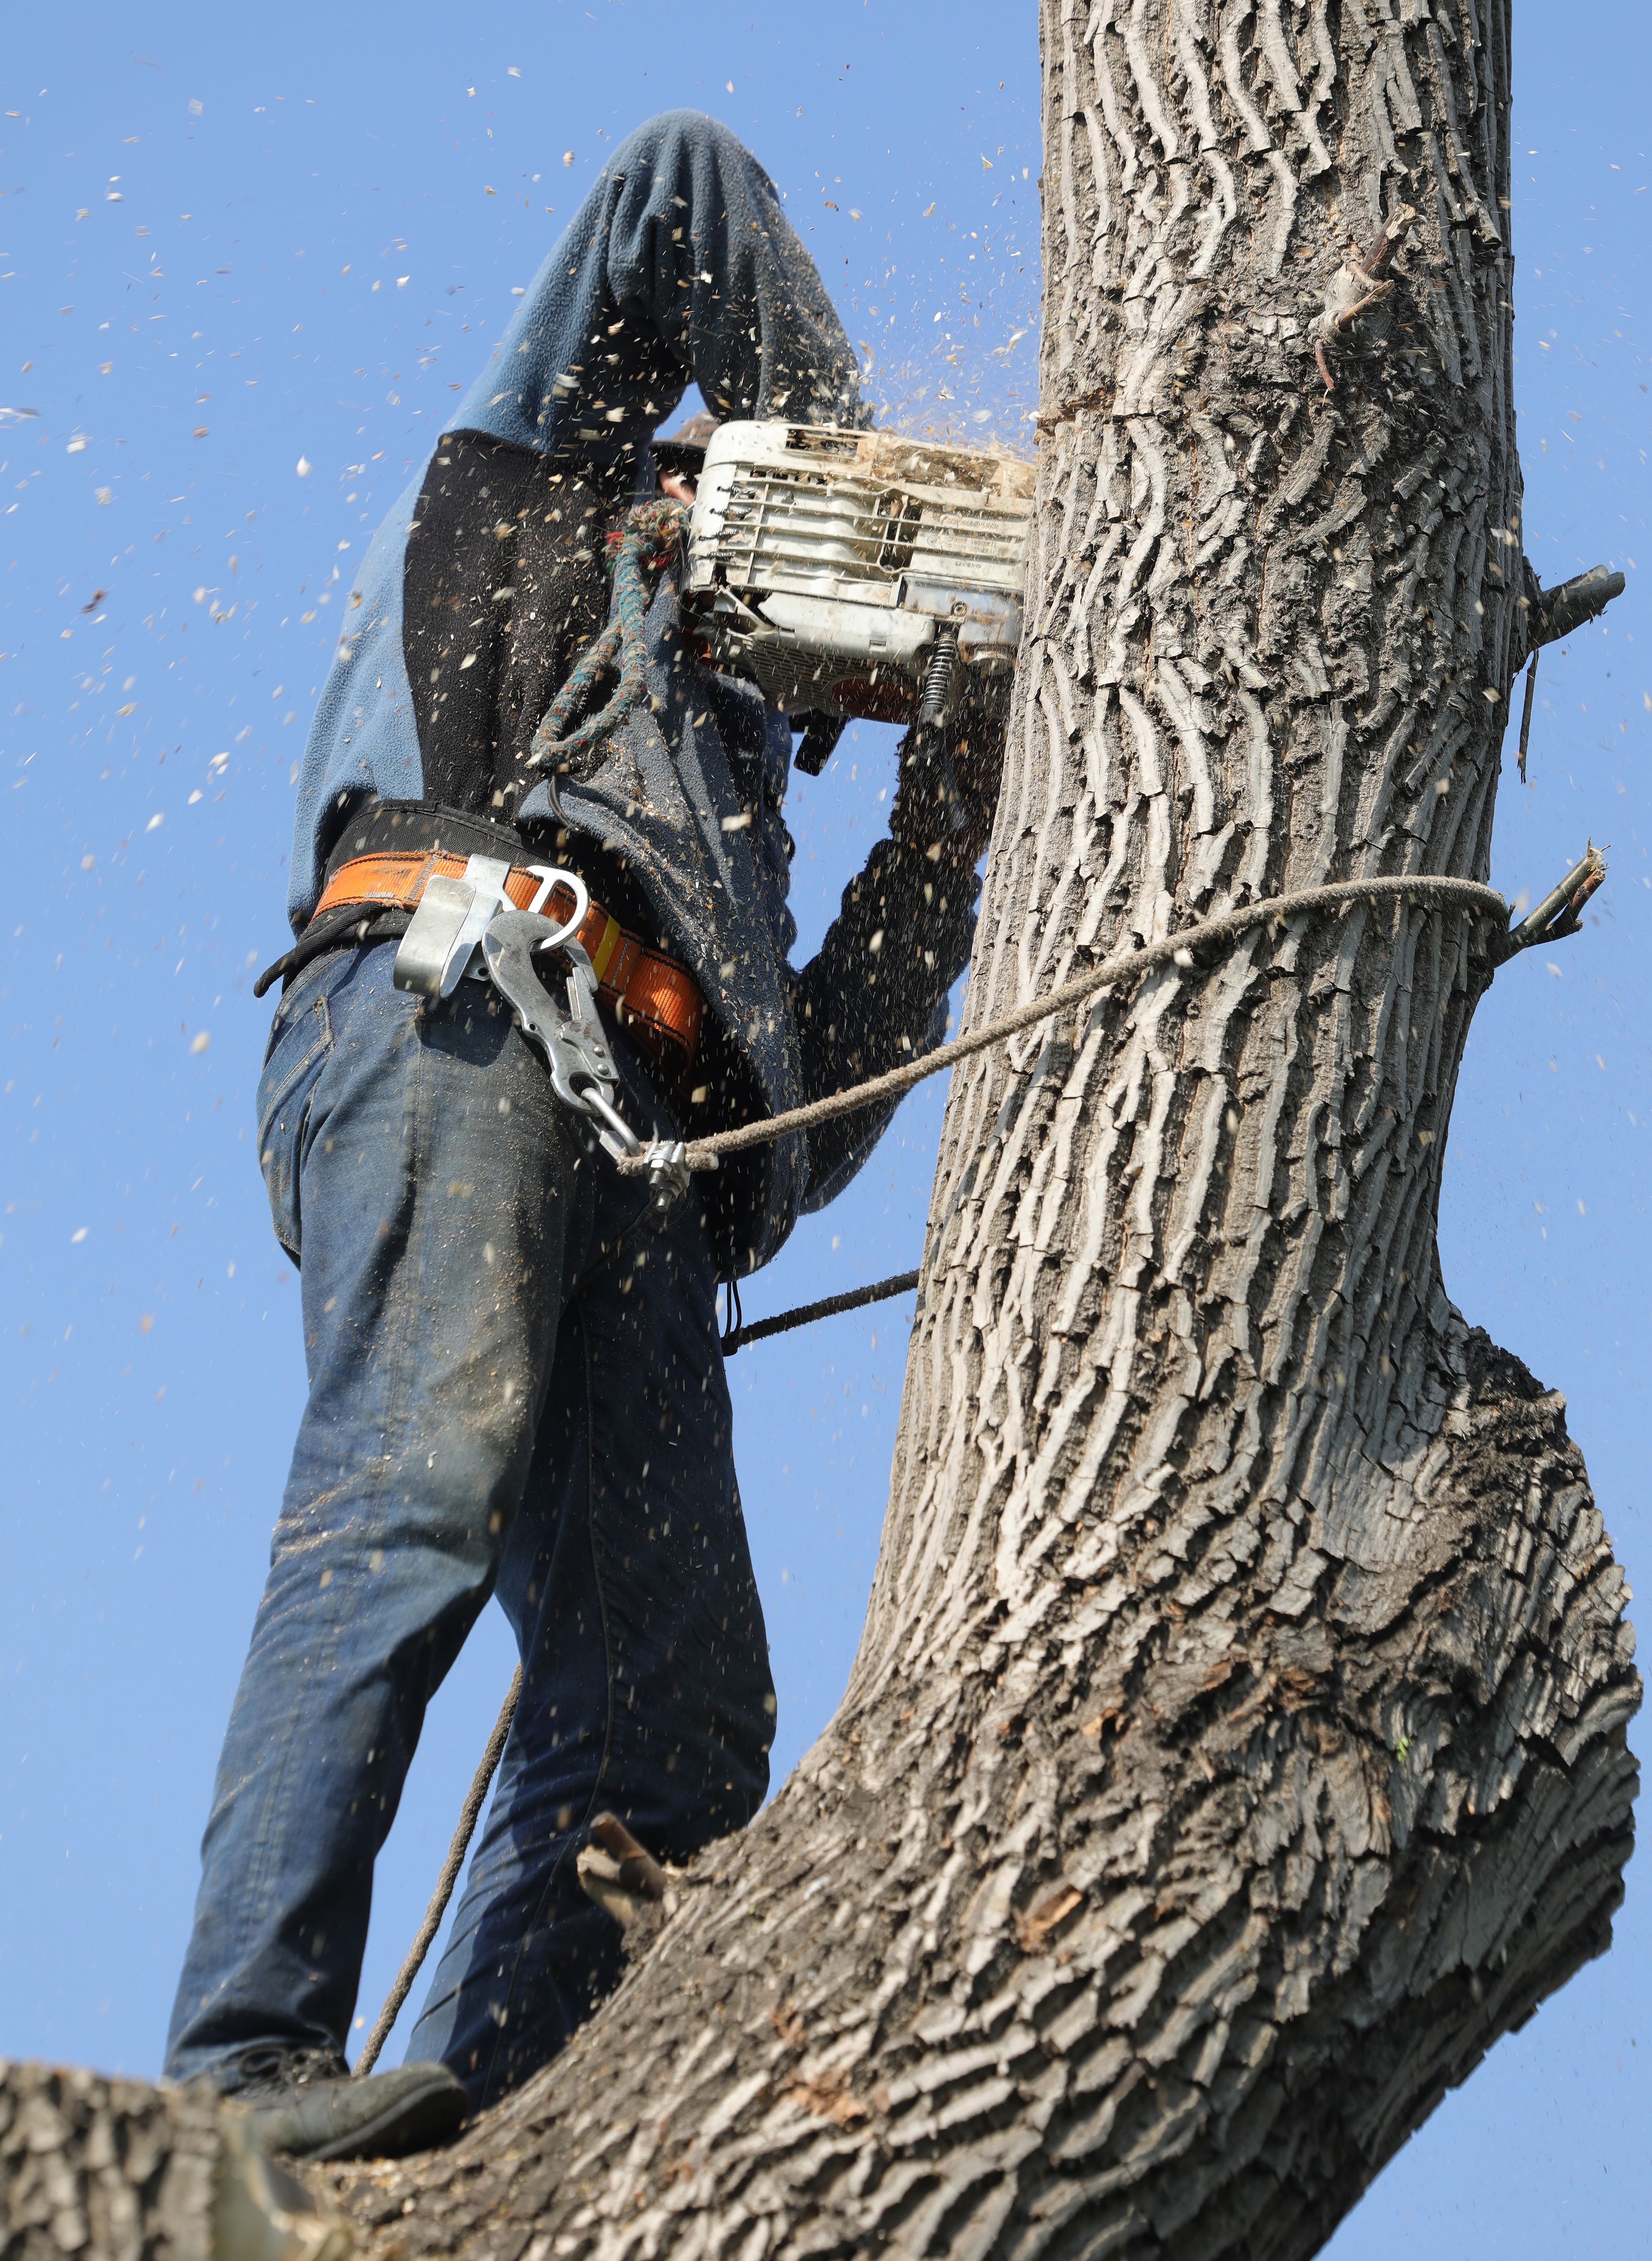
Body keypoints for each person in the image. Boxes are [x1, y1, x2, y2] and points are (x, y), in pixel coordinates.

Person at [162, 110, 1002, 2163]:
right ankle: (240, 2065)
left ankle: (482, 2158)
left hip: (639, 1153)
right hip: (455, 996)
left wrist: (959, 774)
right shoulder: (540, 490)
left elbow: (803, 1130)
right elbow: (674, 183)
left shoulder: (734, 815)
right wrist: (852, 489)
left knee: (678, 1709)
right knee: (416, 1482)